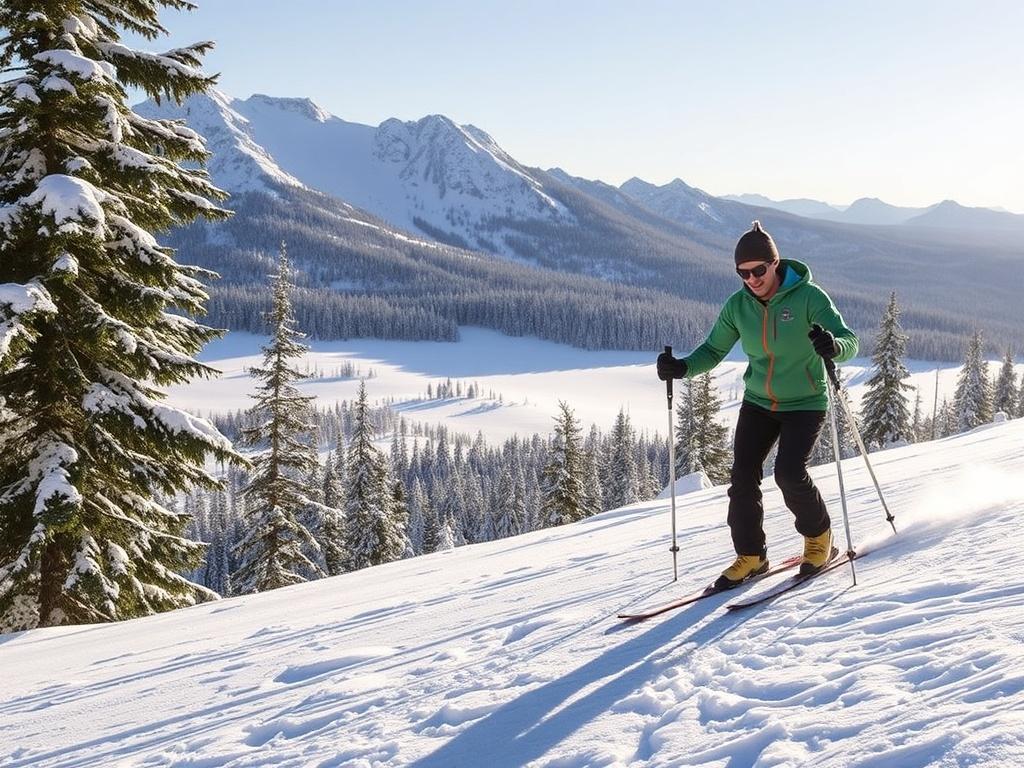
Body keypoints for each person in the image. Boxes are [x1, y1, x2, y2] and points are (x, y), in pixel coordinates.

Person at [657, 221, 858, 589]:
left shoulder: (809, 297)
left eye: (758, 270)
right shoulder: (738, 306)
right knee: (742, 477)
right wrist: (682, 367)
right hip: (759, 403)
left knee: (788, 473)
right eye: (742, 273)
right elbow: (714, 349)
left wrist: (834, 346)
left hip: (805, 401)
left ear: (775, 263)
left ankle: (819, 538)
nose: (750, 279)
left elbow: (848, 339)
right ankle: (751, 556)